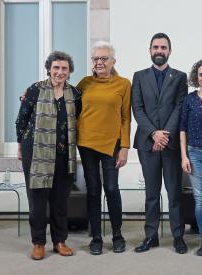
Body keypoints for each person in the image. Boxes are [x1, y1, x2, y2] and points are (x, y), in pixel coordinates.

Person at [16, 51, 81, 260]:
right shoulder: (35, 90)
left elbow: (78, 121)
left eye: (64, 68)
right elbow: (21, 120)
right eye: (56, 68)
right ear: (49, 69)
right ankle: (38, 243)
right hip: (36, 152)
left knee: (60, 201)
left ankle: (60, 241)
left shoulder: (75, 94)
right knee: (37, 200)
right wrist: (20, 145)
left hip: (64, 154)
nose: (60, 72)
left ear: (69, 71)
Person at [132, 33, 188, 254]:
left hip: (171, 144)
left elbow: (179, 107)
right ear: (149, 50)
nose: (159, 50)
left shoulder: (180, 76)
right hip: (148, 144)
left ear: (169, 51)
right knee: (152, 193)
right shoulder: (139, 76)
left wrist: (164, 136)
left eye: (163, 47)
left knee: (174, 193)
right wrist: (154, 133)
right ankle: (150, 236)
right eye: (155, 47)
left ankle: (178, 237)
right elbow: (138, 108)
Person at [76, 41, 131, 255]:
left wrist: (125, 146)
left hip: (112, 144)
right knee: (93, 190)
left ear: (113, 61)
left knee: (111, 189)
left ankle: (117, 234)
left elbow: (126, 117)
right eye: (95, 59)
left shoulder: (124, 84)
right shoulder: (84, 83)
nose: (99, 62)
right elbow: (67, 101)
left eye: (103, 58)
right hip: (86, 143)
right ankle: (96, 237)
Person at [180, 58, 202, 256]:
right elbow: (182, 129)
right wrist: (184, 156)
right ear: (196, 76)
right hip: (193, 153)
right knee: (200, 199)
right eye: (201, 74)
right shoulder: (190, 99)